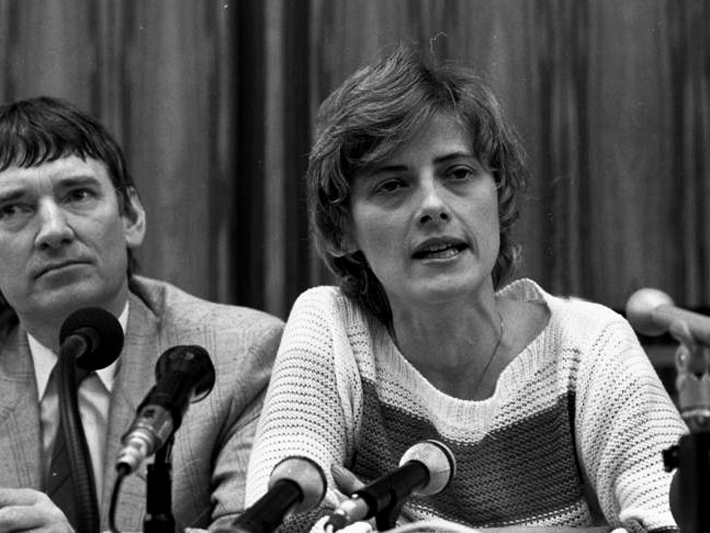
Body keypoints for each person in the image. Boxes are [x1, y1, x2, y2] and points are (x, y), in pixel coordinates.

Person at [244, 45, 686, 533]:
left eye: (458, 173)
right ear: (340, 230)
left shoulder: (588, 344)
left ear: (498, 194)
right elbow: (281, 512)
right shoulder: (333, 328)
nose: (432, 206)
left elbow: (674, 516)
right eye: (392, 185)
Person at [0, 96, 283, 532]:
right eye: (13, 209)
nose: (54, 230)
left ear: (131, 216)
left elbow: (251, 528)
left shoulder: (241, 355)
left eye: (78, 195)